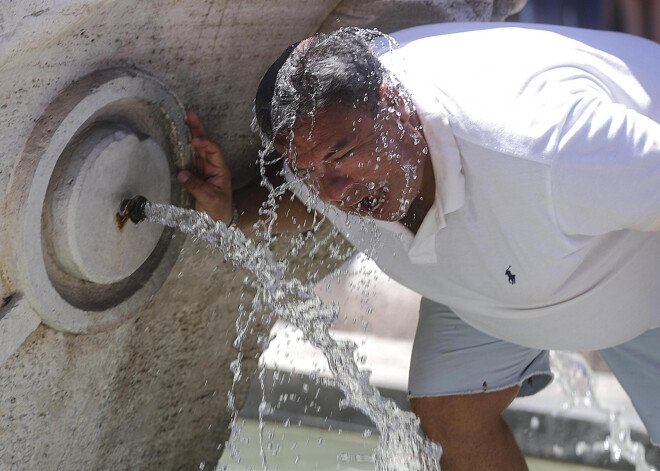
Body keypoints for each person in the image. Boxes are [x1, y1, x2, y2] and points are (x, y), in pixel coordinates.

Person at [177, 23, 660, 470]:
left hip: (637, 265)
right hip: (499, 278)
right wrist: (231, 210)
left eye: (340, 156)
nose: (334, 192)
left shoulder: (543, 147)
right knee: (449, 413)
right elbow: (310, 196)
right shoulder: (338, 144)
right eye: (308, 171)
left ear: (397, 105)